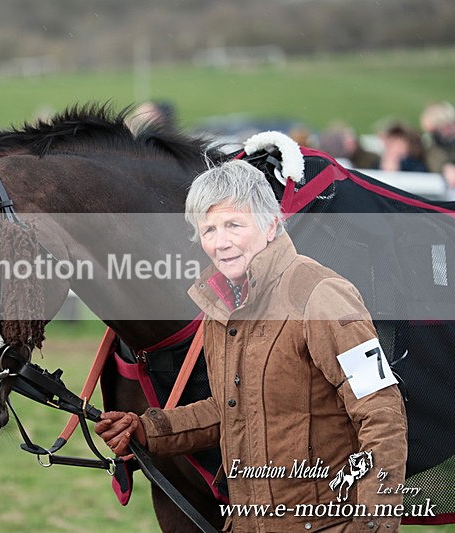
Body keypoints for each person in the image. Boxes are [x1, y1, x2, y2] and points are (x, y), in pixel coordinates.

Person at [96, 159, 407, 531]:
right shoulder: (221, 309)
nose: (220, 242)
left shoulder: (321, 295)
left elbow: (381, 412)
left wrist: (373, 524)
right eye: (208, 229)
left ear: (271, 223)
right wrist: (149, 429)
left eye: (233, 225)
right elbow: (231, 411)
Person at [419, 102, 455, 199]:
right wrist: (445, 166)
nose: (449, 130)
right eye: (444, 126)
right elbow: (433, 156)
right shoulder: (427, 143)